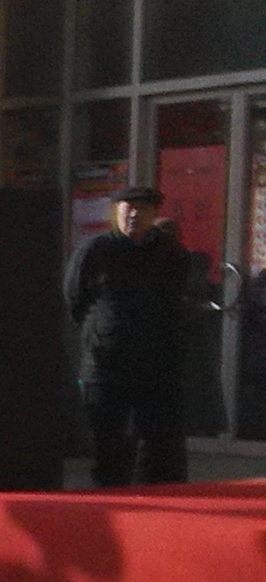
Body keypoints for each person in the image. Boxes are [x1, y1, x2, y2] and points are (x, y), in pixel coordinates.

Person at [65, 184, 201, 485]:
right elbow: (75, 298)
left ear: (154, 214)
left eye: (142, 209)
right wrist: (102, 330)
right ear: (117, 212)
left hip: (157, 364)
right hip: (107, 365)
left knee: (160, 445)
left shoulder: (170, 254)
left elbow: (181, 299)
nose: (134, 215)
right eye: (128, 208)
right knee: (110, 445)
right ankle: (110, 504)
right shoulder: (95, 250)